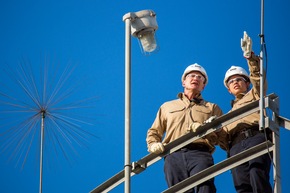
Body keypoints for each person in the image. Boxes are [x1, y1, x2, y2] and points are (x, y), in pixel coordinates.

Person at [146, 63, 223, 193]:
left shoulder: (212, 108)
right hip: (173, 154)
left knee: (205, 188)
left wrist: (206, 130)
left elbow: (222, 136)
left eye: (200, 77)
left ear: (203, 85)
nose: (196, 78)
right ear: (183, 82)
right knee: (179, 190)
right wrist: (153, 144)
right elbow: (154, 131)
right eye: (192, 75)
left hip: (200, 152)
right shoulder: (167, 106)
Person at [220, 31, 272, 193]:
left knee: (257, 173)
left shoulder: (255, 94)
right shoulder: (227, 116)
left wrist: (250, 58)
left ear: (246, 83)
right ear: (228, 89)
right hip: (235, 145)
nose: (235, 82)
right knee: (242, 185)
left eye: (239, 79)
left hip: (255, 136)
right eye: (231, 81)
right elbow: (222, 138)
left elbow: (258, 79)